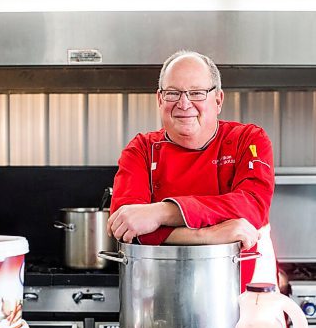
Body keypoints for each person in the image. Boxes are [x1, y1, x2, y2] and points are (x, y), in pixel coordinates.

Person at [107, 50, 277, 292]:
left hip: (247, 295)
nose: (184, 103)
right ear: (159, 99)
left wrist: (161, 213)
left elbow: (251, 206)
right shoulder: (141, 150)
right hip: (162, 297)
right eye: (172, 93)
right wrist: (212, 235)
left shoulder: (249, 140)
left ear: (218, 100)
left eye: (196, 93)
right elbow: (126, 226)